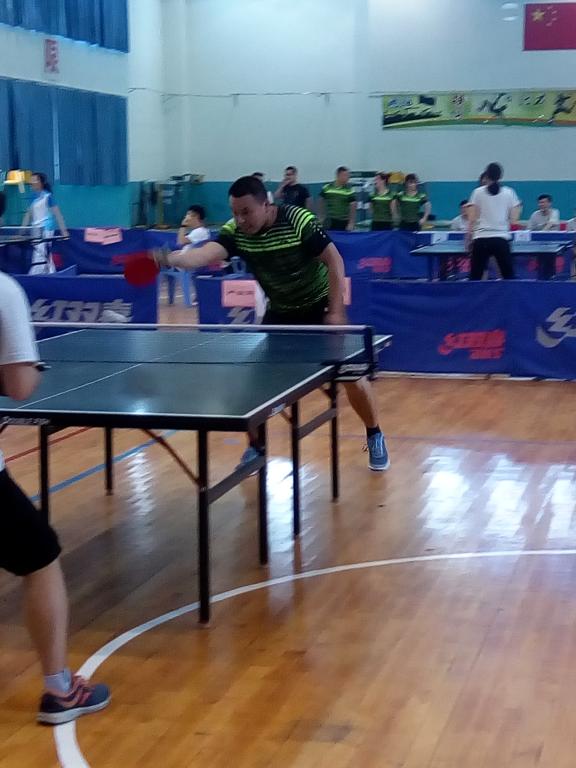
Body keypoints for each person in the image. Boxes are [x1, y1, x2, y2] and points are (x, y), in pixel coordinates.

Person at [159, 176, 389, 471]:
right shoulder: (235, 232)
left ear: (266, 205)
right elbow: (205, 254)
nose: (241, 220)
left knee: (352, 377)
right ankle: (256, 448)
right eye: (235, 213)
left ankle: (374, 434)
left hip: (319, 307)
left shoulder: (298, 220)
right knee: (253, 382)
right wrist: (172, 259)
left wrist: (335, 311)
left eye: (246, 212)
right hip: (281, 312)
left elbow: (334, 260)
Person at [0, 272, 110, 724]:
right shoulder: (3, 291)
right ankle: (61, 691)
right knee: (41, 559)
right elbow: (20, 387)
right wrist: (30, 366)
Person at [466, 162, 521, 280]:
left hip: (481, 239)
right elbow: (514, 220)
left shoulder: (477, 192)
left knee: (475, 277)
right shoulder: (509, 192)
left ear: (486, 175)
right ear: (500, 176)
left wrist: (469, 239)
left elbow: (471, 219)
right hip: (501, 239)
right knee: (508, 277)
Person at [22, 173, 68, 275]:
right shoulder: (32, 198)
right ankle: (51, 273)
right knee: (44, 254)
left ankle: (35, 275)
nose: (32, 182)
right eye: (31, 180)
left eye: (34, 180)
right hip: (35, 229)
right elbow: (28, 215)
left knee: (40, 254)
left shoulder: (48, 196)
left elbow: (58, 214)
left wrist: (64, 231)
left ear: (40, 182)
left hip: (46, 229)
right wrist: (22, 230)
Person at [319, 167, 356, 232]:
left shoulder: (349, 190)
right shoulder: (327, 187)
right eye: (345, 175)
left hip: (343, 221)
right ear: (338, 175)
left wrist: (351, 223)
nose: (348, 178)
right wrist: (321, 216)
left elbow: (353, 206)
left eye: (348, 176)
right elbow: (321, 201)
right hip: (329, 220)